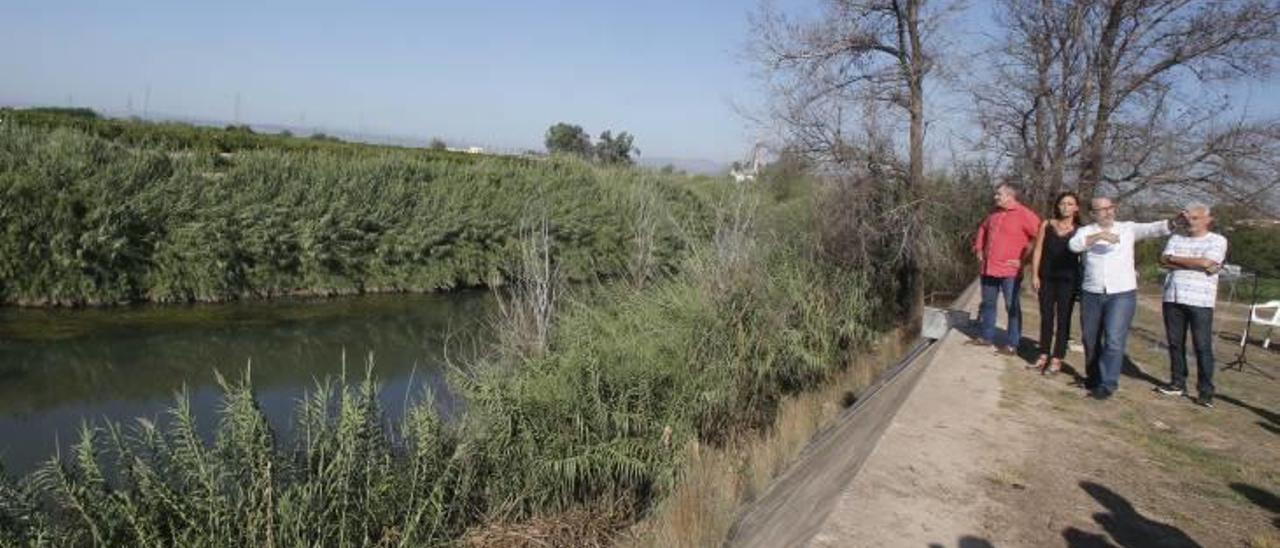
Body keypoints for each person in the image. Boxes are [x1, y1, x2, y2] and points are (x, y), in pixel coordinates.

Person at [1068, 196, 1177, 400]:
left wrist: (1174, 222)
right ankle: (1093, 377)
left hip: (1122, 294)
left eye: (1110, 208)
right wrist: (1099, 236)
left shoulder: (1127, 228)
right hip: (1092, 292)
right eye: (1102, 209)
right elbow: (1074, 246)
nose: (1108, 212)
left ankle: (1108, 384)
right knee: (1090, 339)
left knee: (1114, 339)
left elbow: (1154, 228)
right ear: (1093, 214)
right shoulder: (1086, 231)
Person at [1154, 203, 1228, 408]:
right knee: (1175, 343)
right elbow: (1163, 260)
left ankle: (1205, 391)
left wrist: (1175, 260)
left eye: (1195, 218)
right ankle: (1177, 382)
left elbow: (1208, 262)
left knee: (1202, 346)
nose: (1190, 222)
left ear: (1207, 220)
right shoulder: (1176, 238)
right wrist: (1197, 262)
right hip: (1173, 297)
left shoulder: (1217, 240)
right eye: (1188, 218)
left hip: (1200, 300)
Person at [971, 181, 1042, 354]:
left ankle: (1012, 344)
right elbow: (982, 229)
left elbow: (1039, 237)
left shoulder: (1025, 215)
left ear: (1010, 196)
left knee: (1012, 307)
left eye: (999, 194)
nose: (995, 197)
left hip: (1010, 272)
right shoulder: (994, 214)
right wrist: (979, 248)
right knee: (988, 304)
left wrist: (1023, 261)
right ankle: (987, 337)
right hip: (988, 268)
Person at [1031, 192, 1082, 374]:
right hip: (1046, 278)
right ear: (1057, 206)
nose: (1065, 207)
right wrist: (1035, 275)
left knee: (1063, 319)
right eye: (1062, 203)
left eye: (1070, 204)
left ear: (1076, 208)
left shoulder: (1080, 230)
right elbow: (1037, 251)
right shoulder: (1047, 224)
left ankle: (1057, 357)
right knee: (1046, 317)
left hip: (1068, 280)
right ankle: (1043, 353)